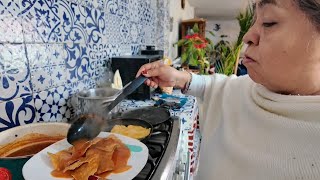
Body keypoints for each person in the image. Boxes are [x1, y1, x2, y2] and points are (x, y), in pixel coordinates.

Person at [136, 0, 320, 179]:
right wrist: (179, 77)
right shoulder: (253, 87)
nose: (248, 36)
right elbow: (220, 86)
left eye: (269, 22)